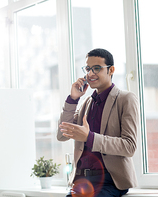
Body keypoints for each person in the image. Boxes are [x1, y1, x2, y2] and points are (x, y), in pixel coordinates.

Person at [57, 48, 139, 197]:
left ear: (111, 70)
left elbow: (129, 146)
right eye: (88, 68)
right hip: (82, 181)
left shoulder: (126, 99)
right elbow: (62, 135)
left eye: (97, 68)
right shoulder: (86, 103)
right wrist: (73, 99)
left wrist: (90, 137)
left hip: (109, 181)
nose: (90, 73)